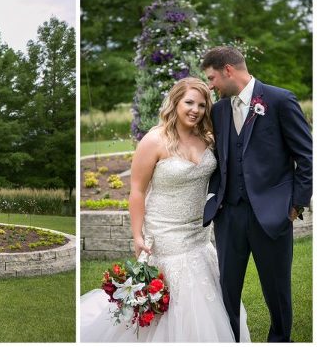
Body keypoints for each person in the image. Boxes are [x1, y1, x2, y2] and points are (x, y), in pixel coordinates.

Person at [80, 77, 250, 342]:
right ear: (175, 102)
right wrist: (137, 236)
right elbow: (136, 191)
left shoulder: (208, 139)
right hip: (165, 233)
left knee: (208, 297)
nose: (195, 110)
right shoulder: (154, 140)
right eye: (189, 102)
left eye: (202, 105)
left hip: (198, 232)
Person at [201, 46, 312, 342]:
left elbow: (306, 156)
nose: (210, 86)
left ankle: (279, 340)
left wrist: (296, 204)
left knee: (277, 291)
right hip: (229, 215)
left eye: (212, 78)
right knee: (228, 291)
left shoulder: (279, 100)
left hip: (273, 215)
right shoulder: (219, 110)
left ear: (228, 70)